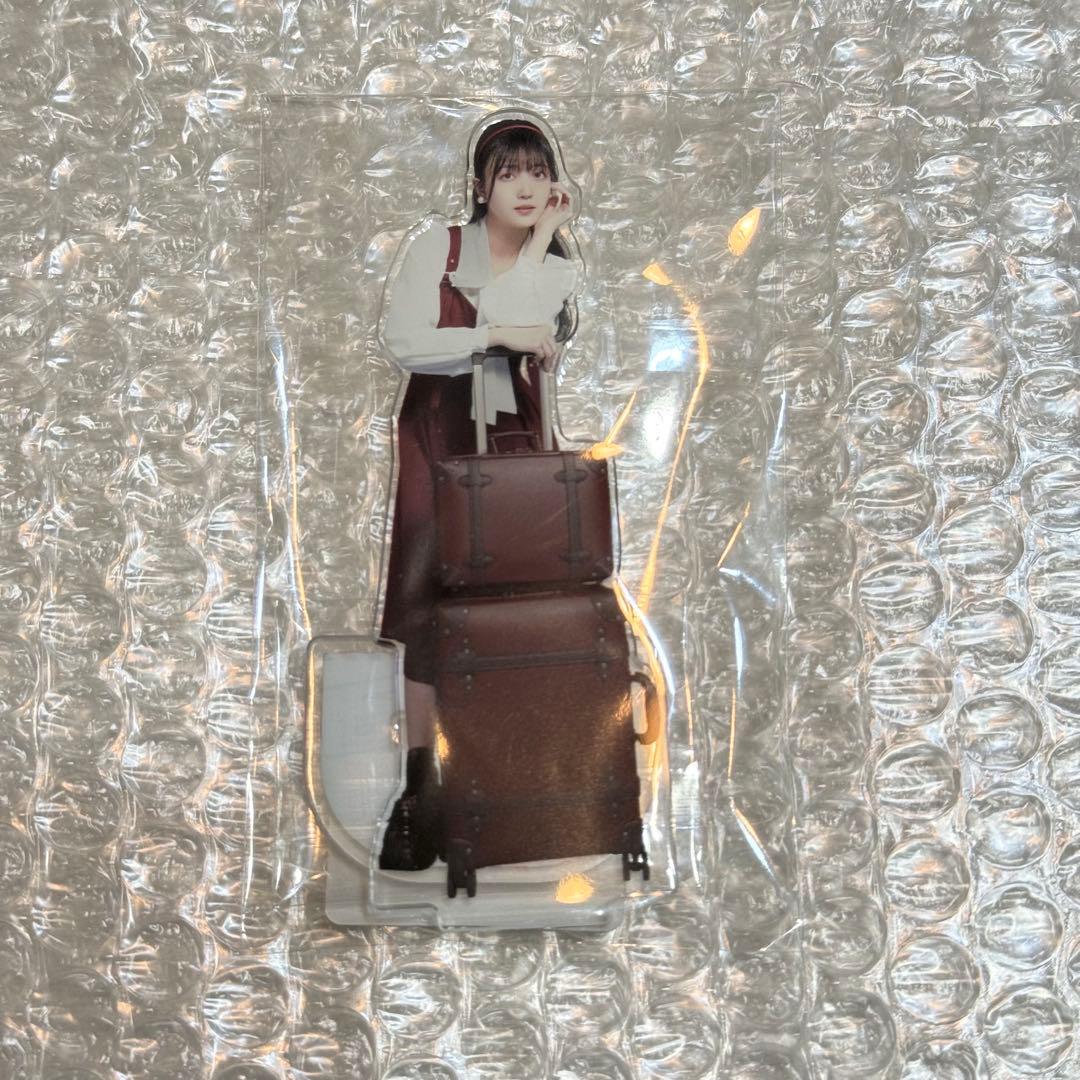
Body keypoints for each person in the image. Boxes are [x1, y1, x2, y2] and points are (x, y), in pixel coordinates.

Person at [376, 115, 579, 871]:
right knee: (425, 598)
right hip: (438, 430)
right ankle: (419, 786)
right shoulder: (440, 247)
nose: (525, 187)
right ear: (479, 184)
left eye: (538, 172)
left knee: (510, 603)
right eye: (508, 172)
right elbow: (406, 342)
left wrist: (539, 241)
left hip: (515, 437)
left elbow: (524, 317)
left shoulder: (553, 264)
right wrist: (491, 339)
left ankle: (496, 780)